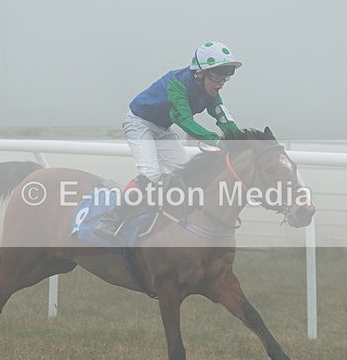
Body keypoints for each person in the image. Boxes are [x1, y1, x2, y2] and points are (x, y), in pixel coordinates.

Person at [94, 41, 242, 238]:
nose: (220, 83)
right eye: (216, 76)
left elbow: (224, 119)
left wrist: (241, 141)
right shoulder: (177, 84)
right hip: (139, 123)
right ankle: (111, 219)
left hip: (162, 129)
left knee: (186, 173)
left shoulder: (211, 92)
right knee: (150, 174)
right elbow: (185, 121)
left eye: (225, 78)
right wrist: (217, 141)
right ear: (199, 73)